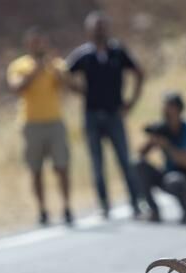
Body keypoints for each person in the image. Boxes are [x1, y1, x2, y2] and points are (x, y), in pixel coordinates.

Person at [65, 11, 144, 219]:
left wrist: (132, 101)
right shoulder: (84, 54)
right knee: (97, 163)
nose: (99, 30)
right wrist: (79, 90)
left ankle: (136, 202)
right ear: (88, 31)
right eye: (95, 27)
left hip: (114, 114)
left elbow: (138, 72)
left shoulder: (117, 51)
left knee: (125, 160)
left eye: (101, 26)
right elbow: (64, 74)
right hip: (92, 115)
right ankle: (104, 205)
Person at [7, 27, 72, 226]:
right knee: (36, 169)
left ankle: (67, 207)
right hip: (31, 124)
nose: (38, 46)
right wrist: (36, 68)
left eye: (41, 42)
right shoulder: (20, 66)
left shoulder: (56, 63)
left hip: (54, 121)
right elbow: (17, 88)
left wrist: (51, 66)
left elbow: (66, 85)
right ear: (28, 45)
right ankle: (42, 210)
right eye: (34, 42)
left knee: (62, 166)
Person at [135, 92, 186, 225]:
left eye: (169, 107)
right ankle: (154, 211)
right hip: (167, 177)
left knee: (174, 179)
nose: (165, 111)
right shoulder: (162, 129)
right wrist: (153, 140)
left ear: (178, 110)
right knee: (138, 166)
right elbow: (141, 154)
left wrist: (167, 146)